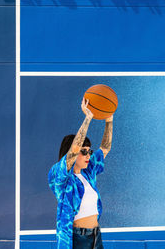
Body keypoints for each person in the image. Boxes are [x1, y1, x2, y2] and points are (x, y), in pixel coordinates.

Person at [48, 98, 113, 248]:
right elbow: (74, 150)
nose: (88, 155)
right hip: (78, 238)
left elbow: (105, 148)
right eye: (83, 151)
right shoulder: (60, 177)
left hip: (96, 235)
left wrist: (109, 120)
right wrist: (88, 118)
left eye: (89, 151)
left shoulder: (88, 173)